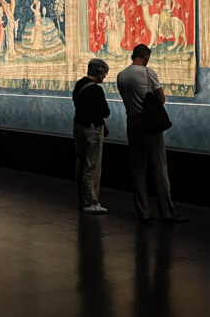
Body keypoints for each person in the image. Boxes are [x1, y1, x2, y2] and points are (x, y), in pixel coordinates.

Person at [116, 44, 185, 224]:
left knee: (137, 168)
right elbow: (161, 98)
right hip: (149, 124)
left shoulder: (121, 75)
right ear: (146, 57)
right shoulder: (148, 72)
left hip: (132, 122)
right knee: (159, 167)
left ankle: (143, 212)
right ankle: (166, 211)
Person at [72, 58, 111, 213]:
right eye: (104, 73)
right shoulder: (96, 90)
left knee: (81, 164)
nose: (105, 77)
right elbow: (105, 111)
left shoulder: (79, 84)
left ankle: (83, 200)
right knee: (92, 166)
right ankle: (91, 202)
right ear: (99, 72)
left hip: (79, 126)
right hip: (92, 129)